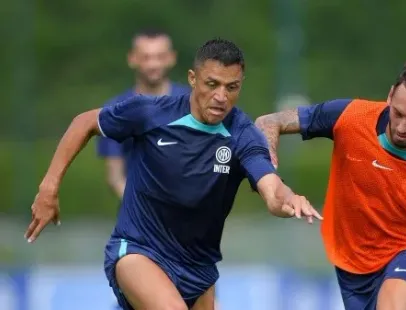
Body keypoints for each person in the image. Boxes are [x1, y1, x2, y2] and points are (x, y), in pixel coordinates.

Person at [24, 38, 322, 310]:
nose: (221, 96)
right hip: (138, 250)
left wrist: (288, 198)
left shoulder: (242, 134)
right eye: (212, 84)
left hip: (198, 268)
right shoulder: (151, 112)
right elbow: (84, 122)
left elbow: (271, 189)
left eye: (232, 87)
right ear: (193, 79)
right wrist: (49, 188)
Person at [255, 60, 406, 310]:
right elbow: (268, 122)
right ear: (390, 96)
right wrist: (269, 176)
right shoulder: (349, 117)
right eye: (398, 113)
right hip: (354, 261)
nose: (402, 127)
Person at [96, 29, 190, 199]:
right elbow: (115, 177)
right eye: (146, 57)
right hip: (139, 216)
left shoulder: (193, 104)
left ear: (171, 58)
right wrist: (145, 210)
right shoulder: (115, 110)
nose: (153, 64)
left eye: (160, 57)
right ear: (132, 58)